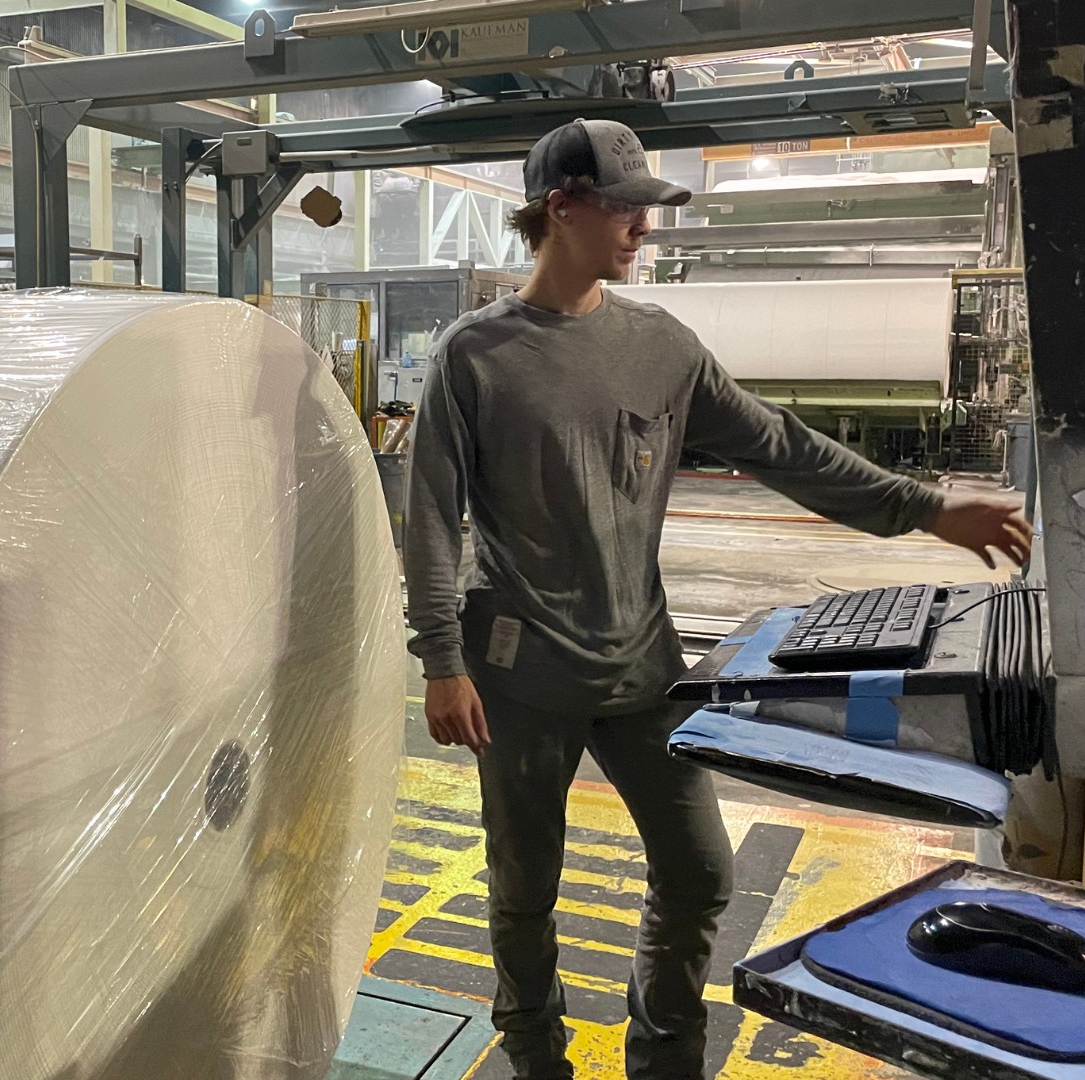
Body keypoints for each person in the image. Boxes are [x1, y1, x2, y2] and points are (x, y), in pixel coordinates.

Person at [403, 119, 1034, 1080]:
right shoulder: (474, 356)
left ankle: (663, 1055)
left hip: (644, 667)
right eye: (625, 207)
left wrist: (926, 507)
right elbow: (430, 517)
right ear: (561, 209)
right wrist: (442, 661)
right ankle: (537, 1059)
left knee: (700, 873)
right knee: (524, 891)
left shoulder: (661, 346)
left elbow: (780, 446)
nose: (643, 227)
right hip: (519, 678)